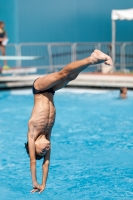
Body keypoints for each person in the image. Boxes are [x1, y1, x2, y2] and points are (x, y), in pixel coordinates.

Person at [25, 50, 112, 194]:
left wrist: (35, 182)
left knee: (63, 74)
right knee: (71, 76)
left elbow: (33, 162)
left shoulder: (32, 132)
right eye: (45, 151)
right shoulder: (48, 135)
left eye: (42, 151)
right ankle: (94, 57)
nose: (46, 150)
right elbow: (46, 163)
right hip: (51, 90)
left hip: (39, 88)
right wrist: (44, 184)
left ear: (34, 147)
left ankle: (92, 59)